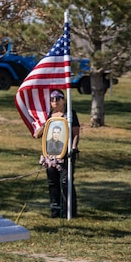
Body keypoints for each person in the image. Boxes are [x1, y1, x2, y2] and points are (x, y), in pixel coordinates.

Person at [34, 89, 80, 218]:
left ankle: (69, 210)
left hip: (65, 154)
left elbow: (76, 133)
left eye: (57, 98)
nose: (54, 101)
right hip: (51, 154)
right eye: (52, 99)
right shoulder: (49, 116)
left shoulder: (70, 114)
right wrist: (44, 124)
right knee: (52, 182)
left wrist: (73, 148)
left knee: (66, 182)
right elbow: (37, 135)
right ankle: (55, 209)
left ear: (63, 100)